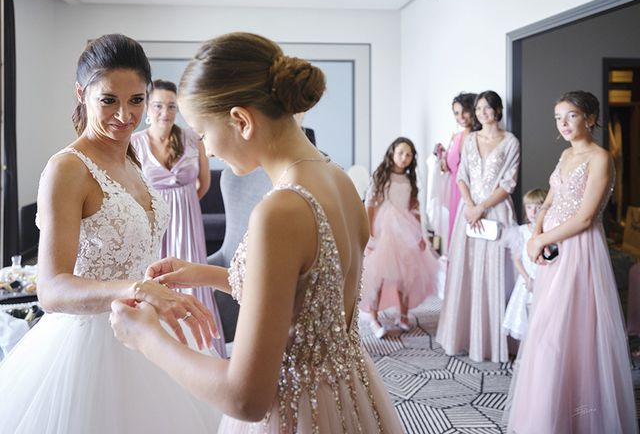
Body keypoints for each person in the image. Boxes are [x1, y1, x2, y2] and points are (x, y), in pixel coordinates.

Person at [110, 32, 403, 433]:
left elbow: (245, 398)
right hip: (349, 393)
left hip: (299, 411)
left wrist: (148, 338)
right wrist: (207, 274)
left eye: (204, 134)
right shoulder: (338, 180)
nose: (207, 151)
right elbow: (308, 297)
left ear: (241, 121)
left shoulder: (280, 211)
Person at [0, 34, 222, 433]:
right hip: (90, 344)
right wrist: (135, 289)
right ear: (81, 94)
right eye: (109, 101)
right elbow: (51, 290)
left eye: (137, 100)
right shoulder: (68, 169)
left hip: (146, 329)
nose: (125, 115)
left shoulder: (132, 159)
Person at [506, 91, 637, 434]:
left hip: (578, 251)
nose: (563, 124)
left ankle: (579, 416)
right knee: (547, 329)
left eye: (572, 116)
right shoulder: (565, 154)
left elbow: (584, 217)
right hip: (551, 252)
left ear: (591, 119)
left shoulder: (600, 158)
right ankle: (548, 413)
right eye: (558, 118)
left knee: (569, 331)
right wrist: (534, 234)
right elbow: (548, 202)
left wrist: (542, 240)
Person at [131, 79, 226, 357]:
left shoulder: (192, 138)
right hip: (153, 226)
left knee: (193, 279)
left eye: (171, 106)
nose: (165, 111)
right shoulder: (134, 144)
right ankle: (160, 350)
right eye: (159, 105)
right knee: (158, 279)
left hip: (189, 221)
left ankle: (202, 349)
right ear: (148, 108)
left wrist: (184, 206)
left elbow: (204, 183)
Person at [436, 90, 520, 363]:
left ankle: (494, 343)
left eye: (488, 108)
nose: (483, 113)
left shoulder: (510, 142)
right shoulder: (470, 139)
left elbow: (508, 183)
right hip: (468, 211)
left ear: (497, 111)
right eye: (479, 108)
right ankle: (465, 336)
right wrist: (471, 206)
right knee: (467, 272)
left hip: (496, 212)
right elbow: (462, 176)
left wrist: (482, 207)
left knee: (496, 275)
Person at [360, 137, 438, 338]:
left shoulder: (410, 179)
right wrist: (370, 233)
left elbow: (415, 208)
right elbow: (370, 204)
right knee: (378, 275)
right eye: (401, 153)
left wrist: (420, 234)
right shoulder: (381, 175)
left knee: (406, 273)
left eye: (409, 154)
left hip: (406, 229)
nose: (404, 157)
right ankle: (374, 316)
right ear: (392, 153)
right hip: (384, 229)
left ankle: (403, 314)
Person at [502, 188, 547, 341]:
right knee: (525, 316)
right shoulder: (520, 232)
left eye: (538, 207)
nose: (533, 212)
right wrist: (527, 279)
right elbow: (516, 259)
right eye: (529, 207)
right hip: (527, 280)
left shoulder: (548, 232)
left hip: (544, 279)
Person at [434, 92, 479, 243]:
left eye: (465, 111)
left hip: (474, 192)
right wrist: (441, 155)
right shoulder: (455, 137)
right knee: (456, 236)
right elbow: (447, 167)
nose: (461, 117)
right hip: (455, 191)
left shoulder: (480, 136)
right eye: (456, 113)